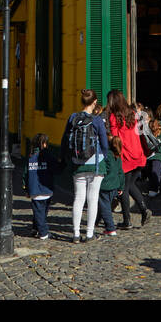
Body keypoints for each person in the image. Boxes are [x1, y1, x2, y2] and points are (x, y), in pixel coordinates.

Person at [60, 89, 110, 243]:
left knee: (78, 198)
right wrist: (105, 157)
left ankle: (75, 234)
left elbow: (64, 140)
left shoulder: (72, 118)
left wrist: (66, 158)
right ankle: (89, 233)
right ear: (94, 102)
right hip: (95, 164)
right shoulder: (96, 121)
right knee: (92, 199)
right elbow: (104, 143)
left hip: (77, 164)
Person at [106, 89, 150, 228]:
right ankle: (144, 210)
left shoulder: (114, 117)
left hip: (126, 156)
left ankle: (127, 221)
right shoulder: (133, 114)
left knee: (123, 189)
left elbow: (114, 138)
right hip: (138, 154)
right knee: (130, 185)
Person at [25, 133, 59, 240]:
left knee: (39, 212)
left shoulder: (30, 157)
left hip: (35, 189)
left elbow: (25, 174)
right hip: (46, 188)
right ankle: (43, 232)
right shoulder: (49, 156)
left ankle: (36, 228)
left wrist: (25, 188)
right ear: (44, 144)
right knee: (42, 212)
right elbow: (56, 168)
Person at [95, 135, 123, 237]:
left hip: (105, 185)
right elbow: (121, 173)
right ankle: (96, 220)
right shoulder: (118, 157)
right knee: (104, 205)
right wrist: (121, 187)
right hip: (114, 185)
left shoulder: (106, 156)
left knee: (105, 206)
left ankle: (110, 228)